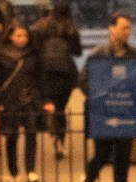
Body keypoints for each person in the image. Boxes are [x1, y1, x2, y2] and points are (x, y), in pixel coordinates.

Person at [83, 16, 136, 182]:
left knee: (123, 159)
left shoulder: (134, 56)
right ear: (111, 29)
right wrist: (98, 97)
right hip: (103, 115)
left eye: (129, 28)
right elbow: (83, 80)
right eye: (123, 28)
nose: (126, 32)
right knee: (102, 155)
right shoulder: (99, 54)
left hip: (125, 114)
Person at [0, 24, 44, 180]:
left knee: (31, 133)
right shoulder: (1, 54)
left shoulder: (33, 54)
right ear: (11, 36)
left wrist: (45, 99)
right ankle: (13, 170)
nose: (22, 39)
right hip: (9, 100)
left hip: (29, 99)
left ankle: (30, 170)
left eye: (25, 36)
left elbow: (40, 77)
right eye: (19, 35)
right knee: (12, 135)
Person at [35, 0, 83, 157]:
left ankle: (52, 129)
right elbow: (77, 52)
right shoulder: (70, 27)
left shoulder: (40, 26)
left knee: (50, 104)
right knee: (62, 108)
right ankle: (60, 140)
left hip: (45, 70)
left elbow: (35, 48)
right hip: (65, 71)